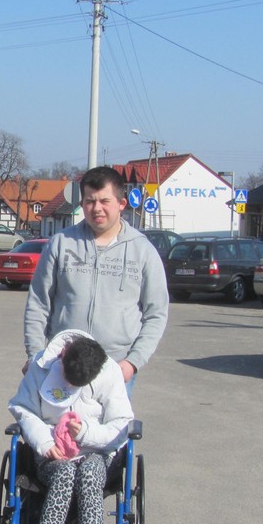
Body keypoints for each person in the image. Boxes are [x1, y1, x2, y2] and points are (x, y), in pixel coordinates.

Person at [8, 329, 133, 524]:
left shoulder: (109, 371)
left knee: (89, 475)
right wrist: (44, 442)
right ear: (62, 356)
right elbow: (23, 408)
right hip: (51, 450)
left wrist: (87, 433)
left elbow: (121, 424)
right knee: (64, 473)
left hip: (96, 451)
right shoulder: (41, 366)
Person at [23, 166, 169, 392]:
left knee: (113, 418)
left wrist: (133, 362)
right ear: (82, 204)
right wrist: (35, 356)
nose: (97, 208)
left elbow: (156, 313)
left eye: (104, 201)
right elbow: (38, 303)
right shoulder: (61, 243)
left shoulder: (143, 251)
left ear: (121, 203)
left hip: (115, 368)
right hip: (62, 365)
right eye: (90, 201)